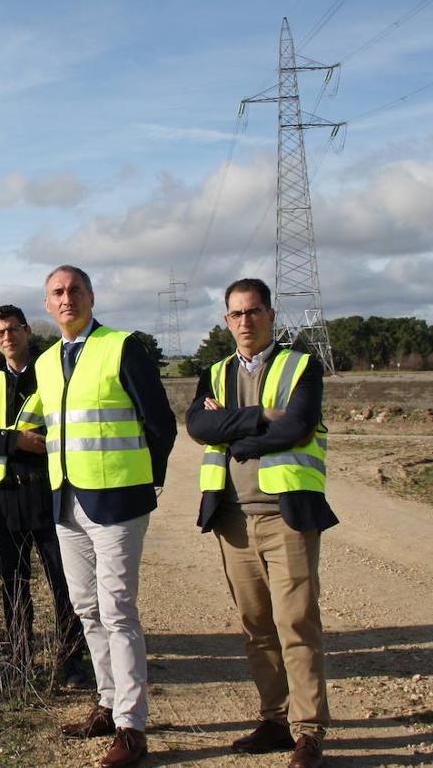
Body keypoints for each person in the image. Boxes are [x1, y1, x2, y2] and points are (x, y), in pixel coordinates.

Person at [16, 265, 176, 768]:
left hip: (117, 501)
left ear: (90, 296)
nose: (67, 299)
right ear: (47, 305)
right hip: (67, 501)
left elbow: (161, 424)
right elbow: (37, 424)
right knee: (86, 608)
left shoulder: (122, 346)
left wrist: (143, 480)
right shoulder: (45, 361)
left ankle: (132, 726)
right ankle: (107, 703)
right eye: (57, 293)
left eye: (75, 290)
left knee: (118, 608)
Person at [185, 278, 335, 768]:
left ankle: (307, 731)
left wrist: (238, 436)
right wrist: (260, 417)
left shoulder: (301, 366)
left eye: (253, 312)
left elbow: (298, 425)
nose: (244, 322)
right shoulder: (215, 371)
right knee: (256, 625)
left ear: (271, 315)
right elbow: (198, 427)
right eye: (235, 314)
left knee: (295, 621)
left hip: (285, 516)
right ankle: (274, 719)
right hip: (232, 520)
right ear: (226, 321)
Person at [0, 304, 88, 687]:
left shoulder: (52, 368)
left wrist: (11, 438)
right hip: (5, 497)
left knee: (64, 582)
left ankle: (71, 663)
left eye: (13, 329)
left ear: (27, 331)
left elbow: (68, 425)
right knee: (13, 583)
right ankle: (20, 659)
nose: (7, 338)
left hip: (48, 491)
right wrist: (14, 440)